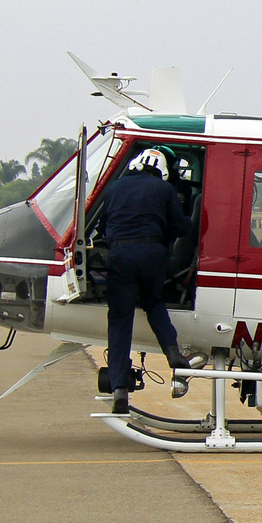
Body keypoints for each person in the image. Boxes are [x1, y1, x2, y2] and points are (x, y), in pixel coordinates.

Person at [95, 148, 204, 413]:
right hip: (152, 254)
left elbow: (102, 225)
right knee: (154, 304)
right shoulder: (165, 190)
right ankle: (173, 354)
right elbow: (181, 227)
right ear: (163, 169)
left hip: (120, 254)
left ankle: (120, 387)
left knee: (120, 319)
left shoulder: (115, 187)